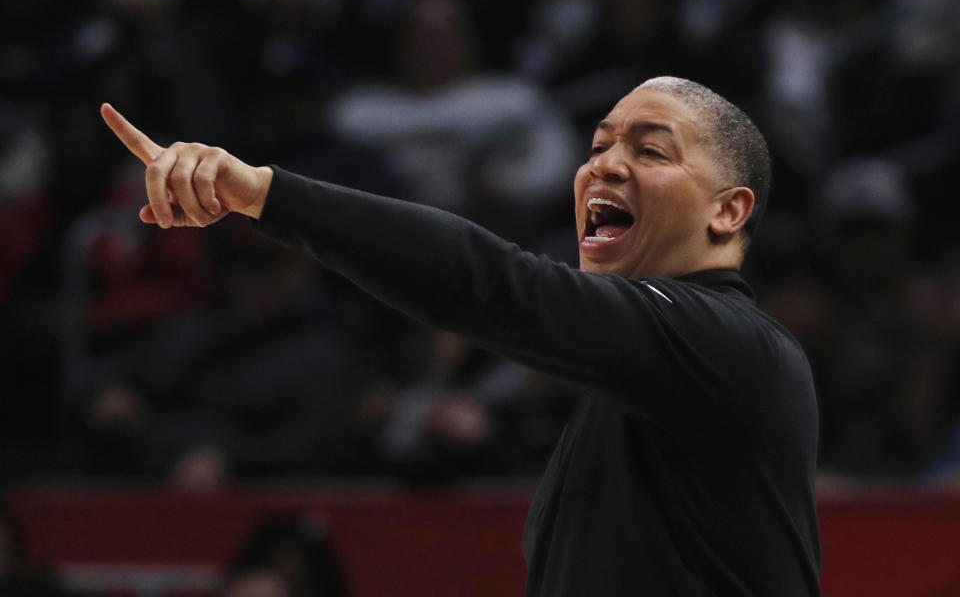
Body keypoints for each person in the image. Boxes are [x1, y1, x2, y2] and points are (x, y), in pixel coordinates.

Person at [100, 75, 821, 596]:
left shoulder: (731, 345)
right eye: (597, 146)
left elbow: (492, 283)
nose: (603, 164)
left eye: (651, 151)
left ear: (728, 212)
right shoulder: (641, 379)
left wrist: (264, 194)